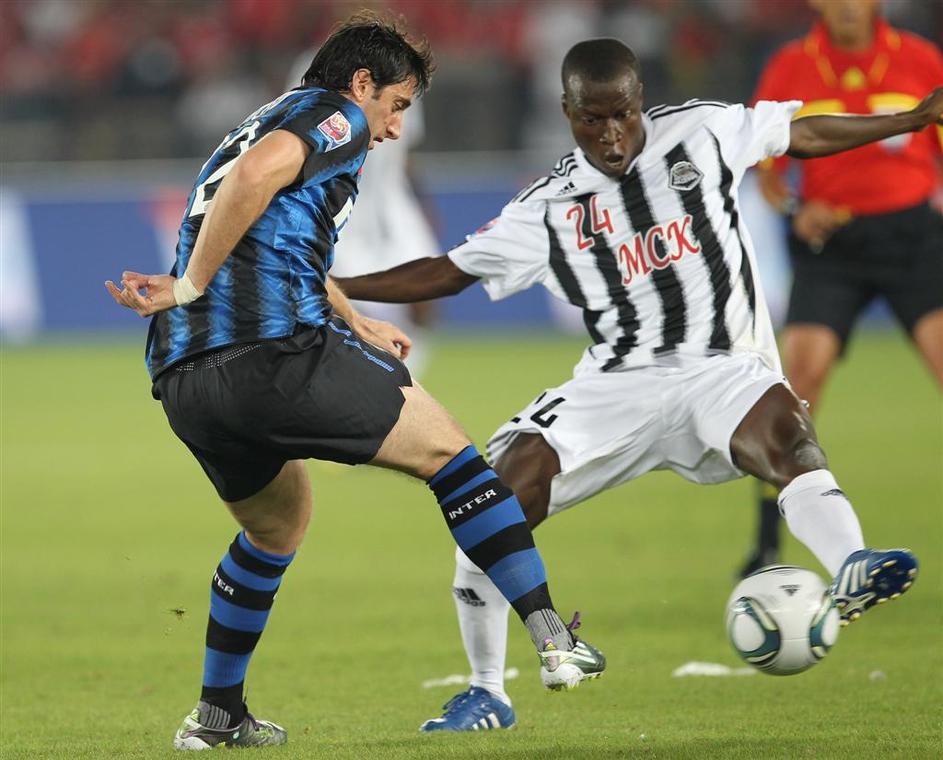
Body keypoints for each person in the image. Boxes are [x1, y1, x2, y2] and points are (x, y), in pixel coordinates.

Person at [336, 38, 940, 732]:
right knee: (491, 500)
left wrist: (912, 118)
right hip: (617, 382)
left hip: (719, 365)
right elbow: (447, 271)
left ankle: (851, 563)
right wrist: (338, 287)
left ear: (639, 101)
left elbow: (798, 133)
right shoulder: (551, 204)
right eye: (591, 119)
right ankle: (486, 692)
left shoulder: (702, 132)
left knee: (785, 431)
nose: (610, 134)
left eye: (621, 114)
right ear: (567, 113)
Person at [105, 13, 603, 751]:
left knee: (276, 526)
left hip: (186, 378)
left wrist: (356, 320)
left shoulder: (266, 117)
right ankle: (554, 638)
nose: (395, 128)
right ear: (361, 83)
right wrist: (189, 283)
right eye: (395, 105)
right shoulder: (333, 114)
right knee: (454, 457)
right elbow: (255, 178)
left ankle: (217, 716)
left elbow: (274, 228)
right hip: (272, 352)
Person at [739, 0, 943, 576]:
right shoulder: (790, 65)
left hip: (915, 240)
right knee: (794, 393)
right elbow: (765, 168)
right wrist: (796, 209)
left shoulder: (921, 59)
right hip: (832, 245)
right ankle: (766, 547)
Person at [287, 47, 440, 378]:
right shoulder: (312, 65)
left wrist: (422, 202)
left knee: (427, 289)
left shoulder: (404, 70)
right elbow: (296, 136)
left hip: (392, 201)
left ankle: (405, 376)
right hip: (339, 203)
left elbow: (405, 150)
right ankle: (343, 375)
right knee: (338, 296)